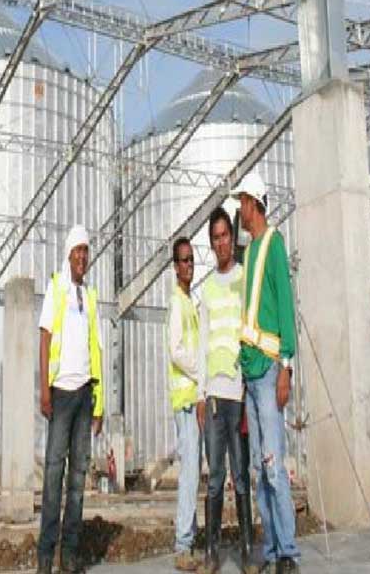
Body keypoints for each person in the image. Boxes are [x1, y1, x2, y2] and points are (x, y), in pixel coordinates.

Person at [236, 171, 300, 574]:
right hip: (250, 371)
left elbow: (286, 309)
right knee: (260, 466)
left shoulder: (273, 245)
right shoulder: (249, 252)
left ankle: (288, 552)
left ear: (253, 203)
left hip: (269, 369)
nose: (238, 210)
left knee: (274, 466)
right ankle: (273, 550)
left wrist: (286, 369)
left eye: (241, 202)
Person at [37, 225, 104, 574]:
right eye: (77, 250)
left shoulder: (89, 296)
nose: (82, 256)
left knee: (78, 477)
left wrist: (100, 402)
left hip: (85, 394)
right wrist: (44, 388)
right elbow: (45, 337)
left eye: (86, 251)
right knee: (53, 473)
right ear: (68, 253)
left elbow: (98, 348)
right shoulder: (57, 287)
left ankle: (70, 553)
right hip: (61, 393)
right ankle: (46, 553)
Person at [197, 207, 253, 574]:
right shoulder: (206, 288)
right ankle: (212, 549)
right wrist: (202, 394)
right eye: (215, 238)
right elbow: (202, 344)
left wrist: (250, 387)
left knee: (242, 476)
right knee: (215, 478)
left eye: (225, 236)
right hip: (216, 396)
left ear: (233, 238)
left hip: (240, 391)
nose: (221, 243)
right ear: (212, 243)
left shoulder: (245, 279)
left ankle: (248, 548)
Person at [167, 236, 201, 571]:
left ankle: (187, 537)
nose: (188, 265)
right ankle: (183, 543)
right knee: (190, 472)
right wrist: (201, 370)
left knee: (193, 469)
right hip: (186, 399)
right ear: (175, 266)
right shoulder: (177, 303)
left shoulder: (191, 302)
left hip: (194, 397)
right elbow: (176, 350)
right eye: (183, 260)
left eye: (191, 259)